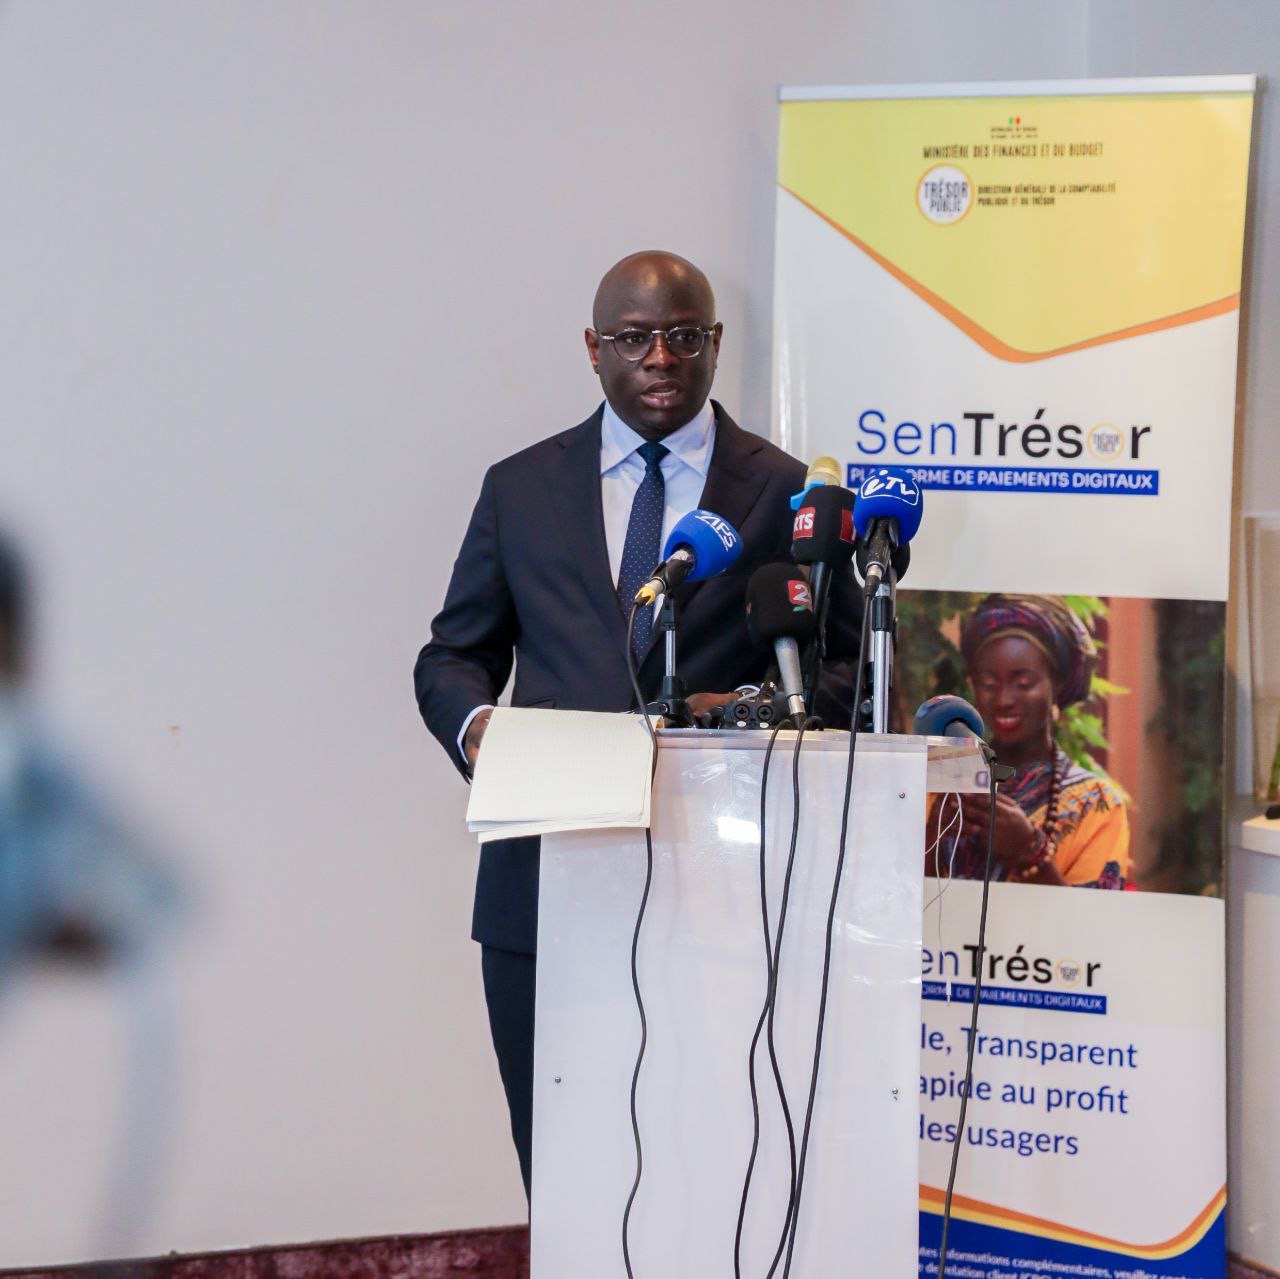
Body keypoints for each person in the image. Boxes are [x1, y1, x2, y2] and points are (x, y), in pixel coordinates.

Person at [413, 250, 862, 1196]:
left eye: (684, 336)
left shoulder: (787, 494)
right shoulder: (521, 487)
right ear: (593, 348)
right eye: (634, 338)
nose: (661, 357)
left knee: (709, 1169)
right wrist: (481, 728)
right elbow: (451, 655)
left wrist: (747, 719)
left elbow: (844, 671)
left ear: (715, 343)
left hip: (723, 890)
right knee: (562, 1168)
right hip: (543, 886)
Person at [926, 593, 1130, 889]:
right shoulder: (941, 786)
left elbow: (1093, 918)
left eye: (1023, 683)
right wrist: (931, 834)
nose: (1004, 699)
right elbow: (890, 896)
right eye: (988, 683)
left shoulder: (1097, 805)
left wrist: (1028, 851)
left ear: (1057, 684)